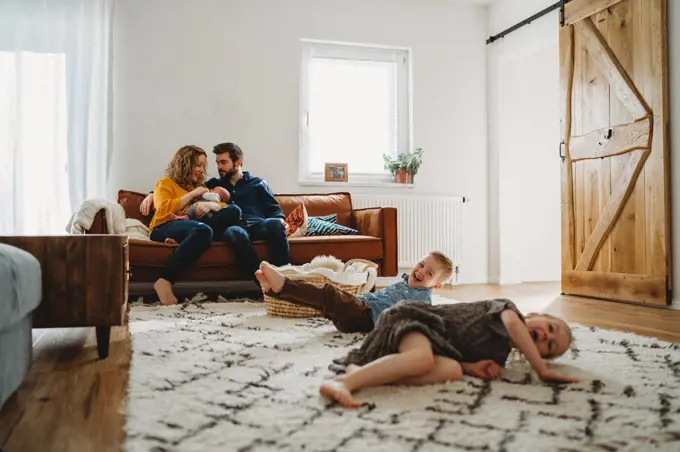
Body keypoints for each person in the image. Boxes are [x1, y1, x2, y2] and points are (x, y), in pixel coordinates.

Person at [317, 299, 579, 408]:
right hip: (415, 320)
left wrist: (469, 367)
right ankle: (343, 382)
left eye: (550, 345)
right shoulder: (508, 309)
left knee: (452, 370)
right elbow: (513, 326)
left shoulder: (498, 354)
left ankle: (364, 374)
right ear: (534, 316)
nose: (546, 336)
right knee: (423, 358)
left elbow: (454, 355)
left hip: (429, 345)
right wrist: (541, 370)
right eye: (550, 328)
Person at [140, 142, 289, 279]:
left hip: (258, 224)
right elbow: (178, 188)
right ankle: (262, 280)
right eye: (217, 163)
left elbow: (274, 209)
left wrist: (282, 221)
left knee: (275, 224)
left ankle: (284, 278)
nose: (219, 167)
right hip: (234, 226)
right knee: (234, 232)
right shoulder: (213, 184)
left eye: (223, 162)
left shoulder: (258, 183)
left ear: (238, 162)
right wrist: (151, 195)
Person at [255, 251, 453, 333]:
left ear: (435, 285)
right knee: (321, 302)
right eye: (421, 265)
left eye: (429, 273)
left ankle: (283, 285)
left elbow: (420, 322)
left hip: (367, 318)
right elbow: (380, 297)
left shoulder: (422, 300)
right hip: (359, 309)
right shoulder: (404, 282)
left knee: (328, 293)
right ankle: (275, 292)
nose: (420, 272)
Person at [149, 145, 241, 305]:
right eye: (198, 165)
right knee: (203, 230)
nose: (201, 170)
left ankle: (186, 242)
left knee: (234, 210)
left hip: (196, 226)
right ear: (185, 164)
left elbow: (223, 206)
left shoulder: (201, 188)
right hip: (165, 225)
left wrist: (211, 206)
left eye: (203, 166)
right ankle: (165, 280)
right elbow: (163, 209)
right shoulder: (165, 183)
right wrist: (193, 194)